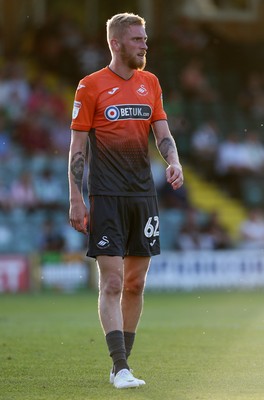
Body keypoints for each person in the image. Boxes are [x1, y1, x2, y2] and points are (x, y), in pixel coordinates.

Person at [68, 13, 183, 389]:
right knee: (113, 282)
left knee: (135, 284)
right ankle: (119, 368)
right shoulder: (90, 86)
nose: (144, 45)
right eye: (137, 39)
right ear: (115, 43)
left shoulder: (150, 83)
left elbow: (162, 132)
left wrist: (174, 161)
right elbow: (78, 147)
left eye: (145, 39)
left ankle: (123, 366)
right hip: (106, 196)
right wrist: (76, 199)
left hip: (143, 196)